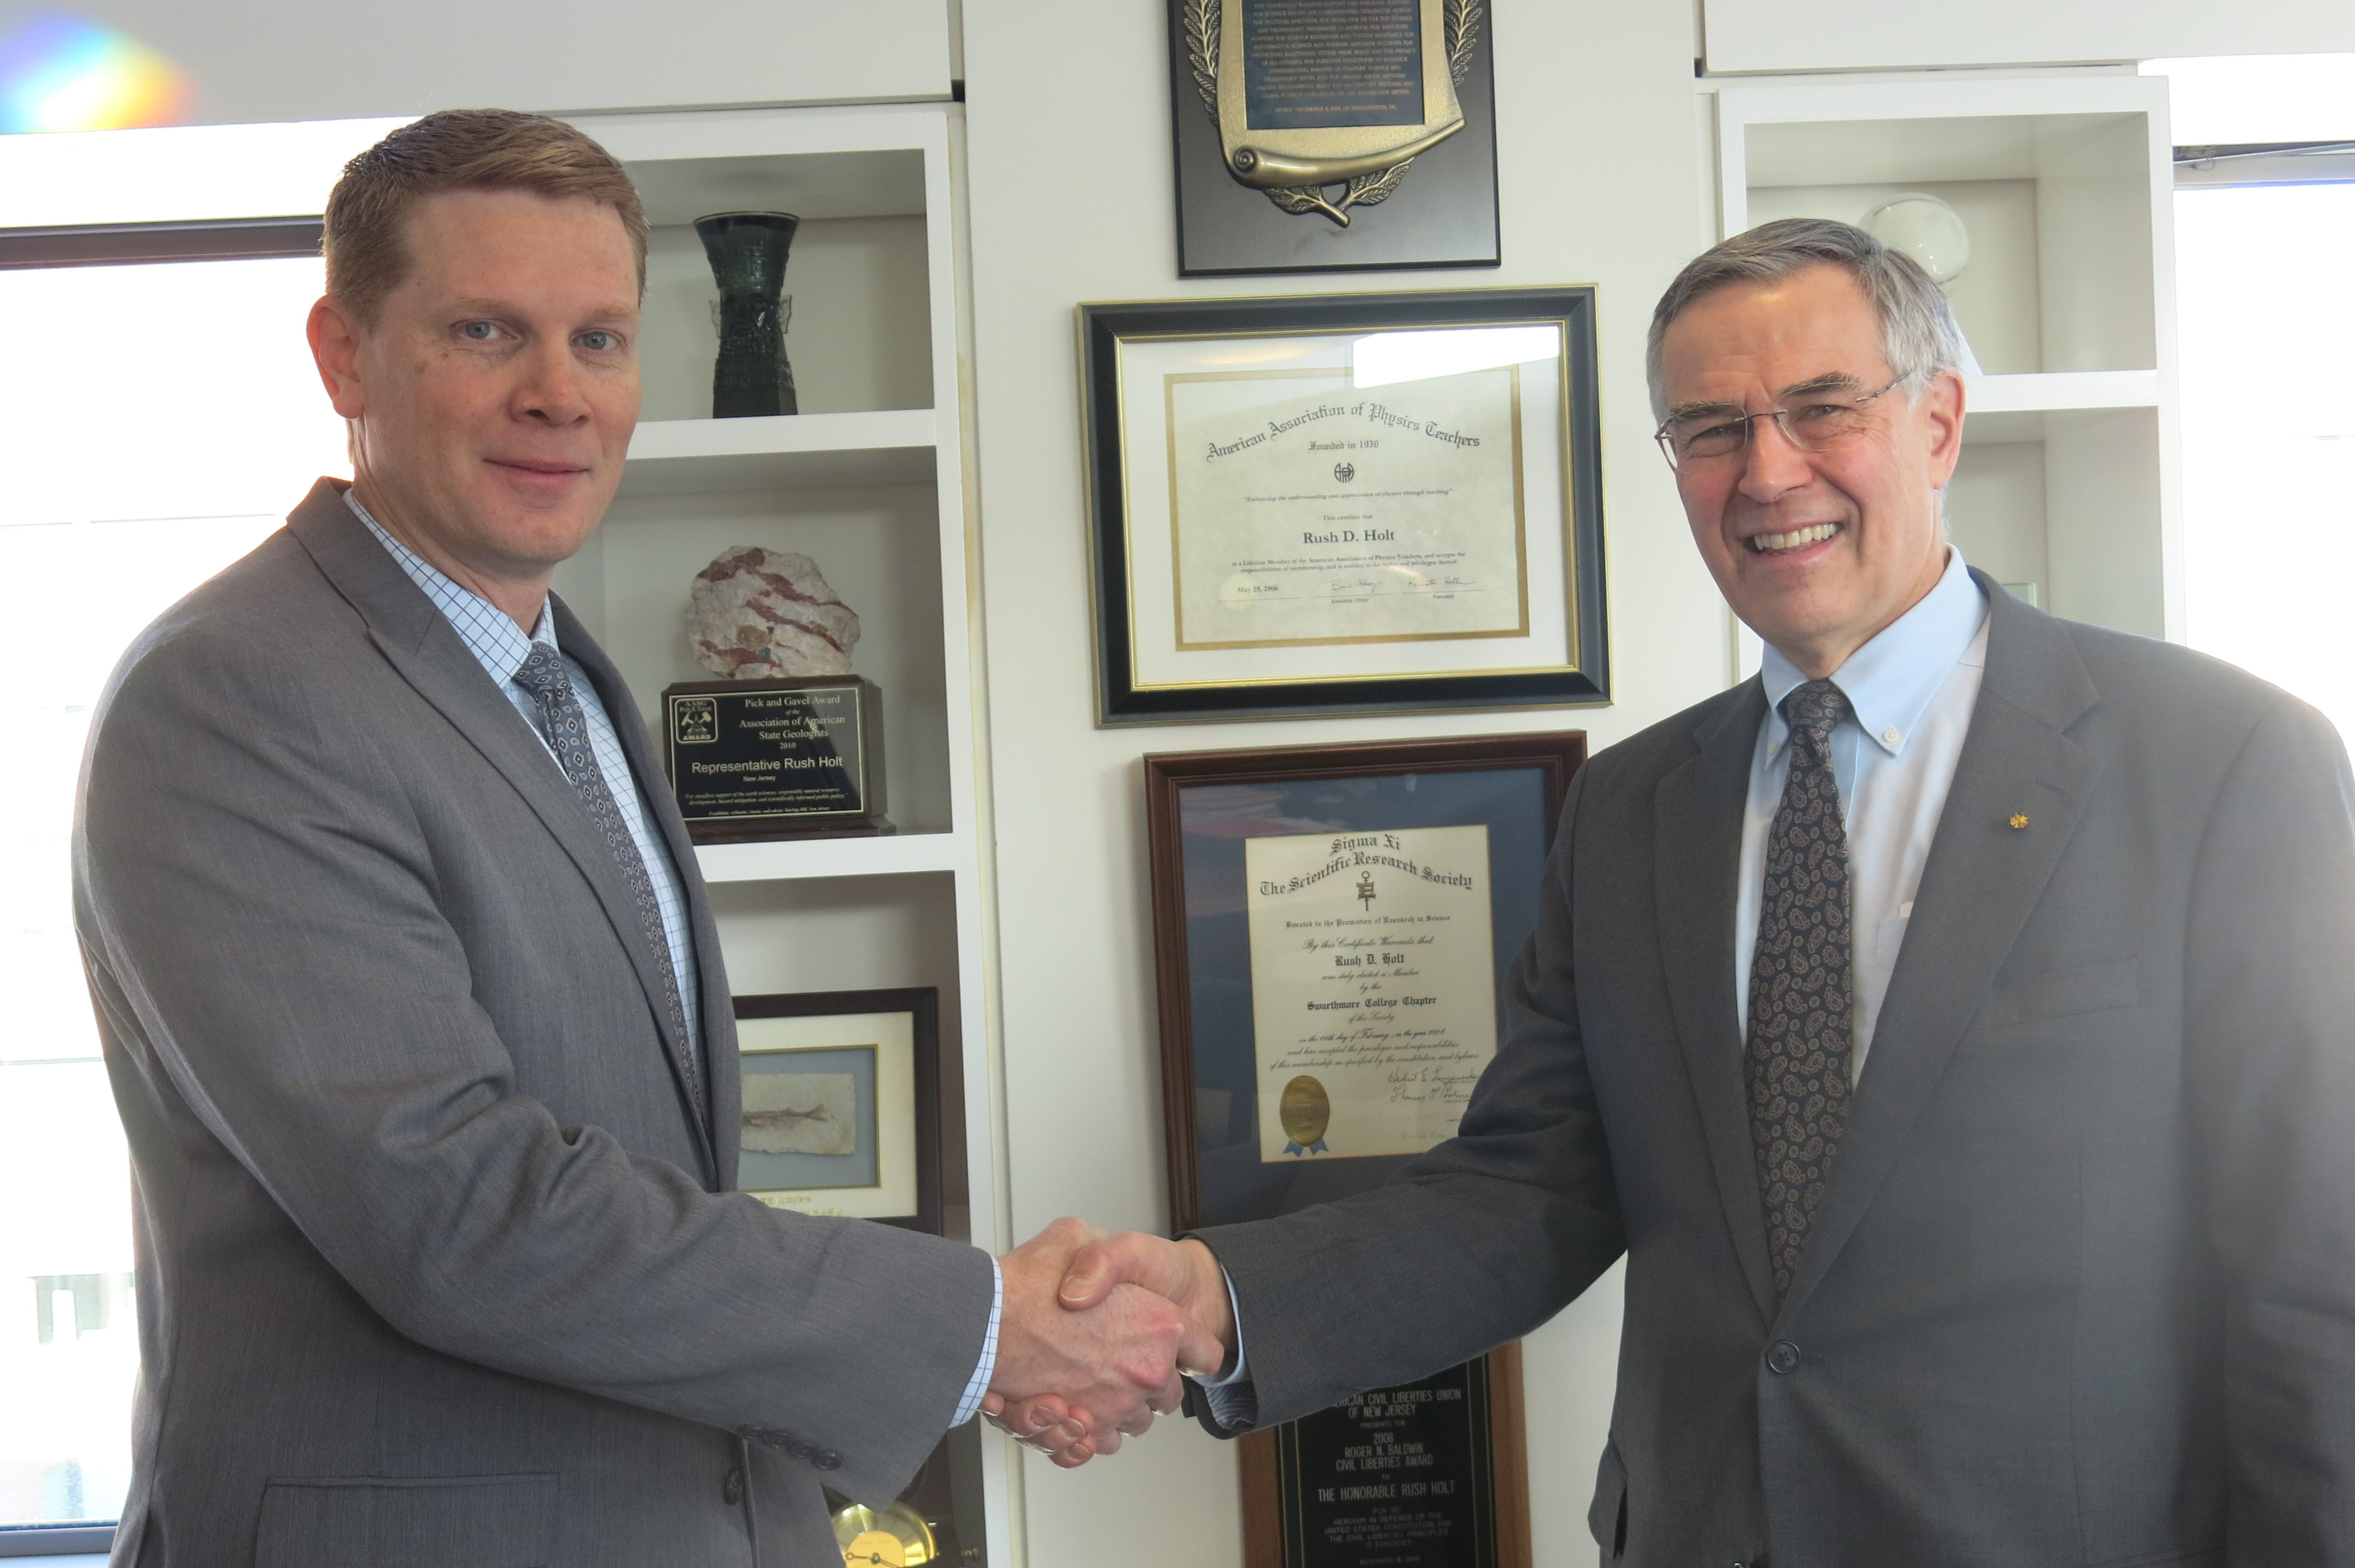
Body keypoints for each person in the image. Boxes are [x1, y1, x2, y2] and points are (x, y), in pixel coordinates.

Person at [1016, 219, 2355, 1563]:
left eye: (1823, 408)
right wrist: (1209, 1300)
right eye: (1712, 429)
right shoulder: (1630, 809)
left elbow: (2315, 1271)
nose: (1768, 473)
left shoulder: (2222, 763)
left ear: (1939, 424)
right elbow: (1527, 1193)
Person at [72, 109, 1187, 1568]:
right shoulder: (237, 691)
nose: (559, 395)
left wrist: (985, 1345)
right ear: (344, 357)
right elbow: (455, 1211)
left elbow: (640, 1166)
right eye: (485, 331)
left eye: (597, 339)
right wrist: (982, 1330)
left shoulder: (564, 678)